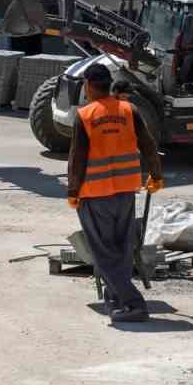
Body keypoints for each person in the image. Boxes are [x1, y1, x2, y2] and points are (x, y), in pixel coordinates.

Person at [66, 62, 163, 323]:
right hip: (125, 192)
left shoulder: (86, 115)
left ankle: (133, 304)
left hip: (95, 195)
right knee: (121, 249)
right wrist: (156, 175)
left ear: (88, 85)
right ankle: (116, 301)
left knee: (104, 253)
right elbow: (148, 144)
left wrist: (73, 191)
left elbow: (77, 158)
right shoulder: (129, 110)